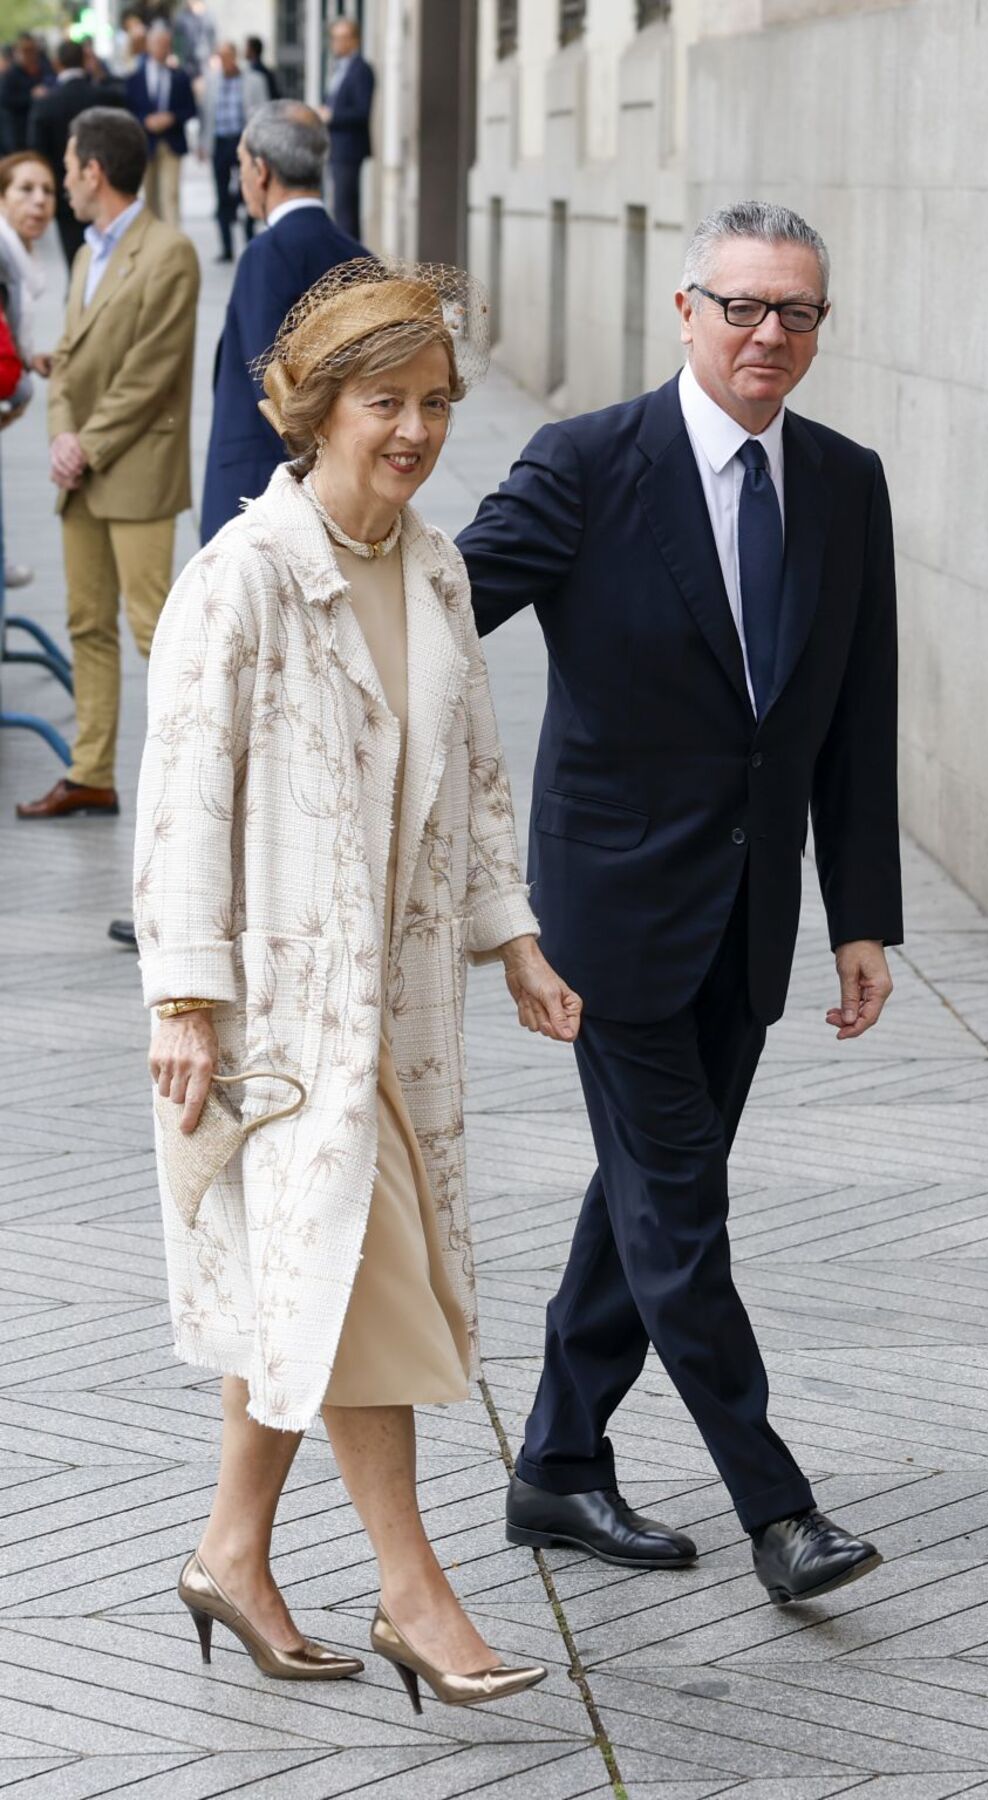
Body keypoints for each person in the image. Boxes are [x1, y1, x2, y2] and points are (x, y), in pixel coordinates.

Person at [133, 257, 581, 1705]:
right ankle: (414, 1591)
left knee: (304, 1285)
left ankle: (230, 1555)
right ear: (315, 410)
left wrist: (512, 934)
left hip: (401, 1016)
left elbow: (478, 782)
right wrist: (186, 1000)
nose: (416, 430)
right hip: (279, 1020)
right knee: (354, 1276)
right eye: (385, 401)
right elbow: (183, 801)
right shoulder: (242, 582)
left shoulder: (439, 569)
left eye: (437, 402)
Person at [458, 200, 903, 1607]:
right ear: (686, 308)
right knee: (678, 1214)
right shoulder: (588, 465)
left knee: (653, 1198)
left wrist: (861, 915)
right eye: (745, 308)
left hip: (750, 915)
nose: (770, 336)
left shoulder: (845, 483)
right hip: (612, 911)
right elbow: (437, 607)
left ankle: (558, 1461)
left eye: (798, 314)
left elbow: (851, 722)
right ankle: (780, 1511)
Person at [17, 108, 198, 830]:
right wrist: (63, 437)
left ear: (95, 171)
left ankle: (187, 785)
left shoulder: (170, 252)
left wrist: (84, 444)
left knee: (156, 632)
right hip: (83, 469)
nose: (61, 184)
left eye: (66, 170)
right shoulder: (88, 252)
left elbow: (151, 372)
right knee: (86, 624)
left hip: (135, 468)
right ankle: (91, 774)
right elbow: (66, 360)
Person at [200, 101, 363, 543]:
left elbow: (270, 387)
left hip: (261, 493)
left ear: (262, 170)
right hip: (348, 488)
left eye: (241, 163)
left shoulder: (265, 254)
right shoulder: (361, 259)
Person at [0, 150, 55, 587]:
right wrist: (19, 391)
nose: (39, 201)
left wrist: (28, 356)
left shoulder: (17, 259)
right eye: (25, 190)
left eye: (48, 191)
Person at [28, 38, 127, 270]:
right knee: (106, 262)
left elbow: (37, 154)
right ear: (86, 61)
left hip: (65, 194)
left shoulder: (46, 103)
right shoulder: (104, 96)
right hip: (106, 189)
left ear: (56, 63)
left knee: (75, 262)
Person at [197, 42, 269, 262]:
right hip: (220, 143)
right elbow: (205, 115)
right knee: (221, 196)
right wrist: (202, 144)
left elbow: (263, 112)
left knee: (247, 190)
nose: (225, 61)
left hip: (244, 143)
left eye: (228, 56)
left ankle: (250, 242)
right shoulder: (211, 81)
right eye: (221, 57)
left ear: (235, 56)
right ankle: (226, 247)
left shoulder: (254, 81)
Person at [126, 23, 195, 228]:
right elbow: (128, 110)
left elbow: (191, 109)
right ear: (148, 45)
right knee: (148, 197)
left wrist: (172, 117)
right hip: (145, 144)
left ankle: (172, 242)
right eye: (158, 44)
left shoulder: (180, 76)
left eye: (166, 45)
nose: (162, 49)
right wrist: (144, 120)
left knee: (170, 196)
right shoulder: (134, 78)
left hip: (171, 144)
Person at [319, 16, 372, 240]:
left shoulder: (361, 70)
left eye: (342, 38)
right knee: (339, 208)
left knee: (346, 211)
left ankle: (352, 269)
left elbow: (362, 112)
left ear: (355, 40)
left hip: (349, 149)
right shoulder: (338, 69)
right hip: (335, 147)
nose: (337, 43)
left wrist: (331, 115)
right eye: (334, 38)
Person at [0, 34, 52, 157]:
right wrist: (31, 96)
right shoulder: (11, 75)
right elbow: (5, 100)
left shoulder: (44, 68)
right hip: (20, 131)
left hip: (43, 129)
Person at [245, 36, 280, 101]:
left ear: (252, 50)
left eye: (246, 47)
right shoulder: (266, 72)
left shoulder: (256, 72)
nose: (244, 50)